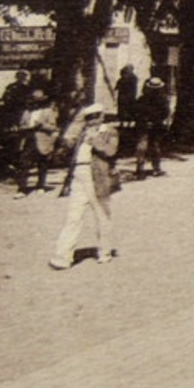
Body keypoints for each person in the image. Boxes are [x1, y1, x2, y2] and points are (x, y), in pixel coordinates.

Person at [48, 104, 121, 270]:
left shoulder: (109, 131)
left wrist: (93, 140)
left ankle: (105, 251)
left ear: (102, 116)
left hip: (98, 176)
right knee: (74, 216)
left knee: (101, 214)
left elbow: (110, 151)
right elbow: (66, 149)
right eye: (88, 118)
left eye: (95, 116)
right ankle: (62, 256)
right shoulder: (81, 132)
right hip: (79, 174)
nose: (92, 121)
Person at [14, 88, 59, 194]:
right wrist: (24, 128)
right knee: (24, 163)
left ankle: (41, 185)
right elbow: (21, 125)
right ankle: (22, 188)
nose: (36, 103)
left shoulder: (48, 112)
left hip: (42, 139)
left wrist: (41, 125)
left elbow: (53, 127)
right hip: (29, 139)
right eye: (34, 100)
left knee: (42, 163)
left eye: (38, 100)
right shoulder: (27, 112)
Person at [133, 76, 170, 178]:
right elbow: (165, 113)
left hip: (143, 125)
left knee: (141, 146)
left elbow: (136, 112)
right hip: (156, 125)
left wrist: (144, 120)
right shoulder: (163, 100)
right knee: (155, 146)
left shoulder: (142, 99)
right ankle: (156, 168)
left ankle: (140, 168)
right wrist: (155, 120)